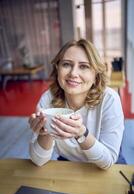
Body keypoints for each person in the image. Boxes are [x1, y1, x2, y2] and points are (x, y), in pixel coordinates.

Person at [29, 39, 124, 170]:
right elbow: (38, 161)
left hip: (107, 166)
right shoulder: (48, 99)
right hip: (68, 164)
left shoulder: (109, 99)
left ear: (96, 74)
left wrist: (81, 133)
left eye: (84, 66)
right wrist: (45, 133)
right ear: (57, 69)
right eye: (66, 64)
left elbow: (107, 162)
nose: (73, 73)